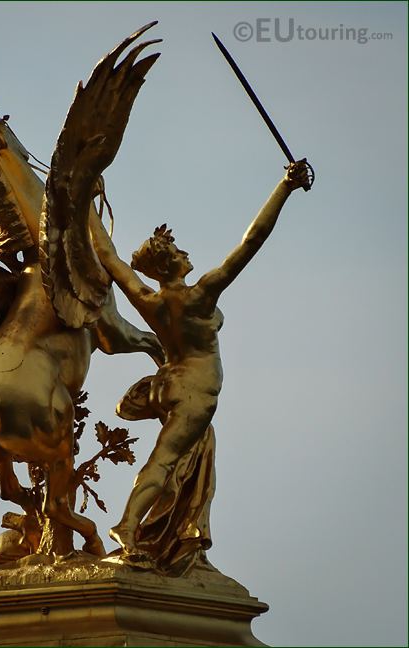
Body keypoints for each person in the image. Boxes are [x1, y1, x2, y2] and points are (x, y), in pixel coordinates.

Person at [88, 160, 312, 559]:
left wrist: (85, 196)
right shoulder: (200, 295)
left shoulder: (150, 301)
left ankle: (153, 524)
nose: (185, 250)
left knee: (171, 460)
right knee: (164, 461)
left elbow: (107, 254)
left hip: (168, 383)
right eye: (176, 250)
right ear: (169, 264)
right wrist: (285, 188)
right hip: (195, 390)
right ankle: (127, 525)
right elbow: (250, 243)